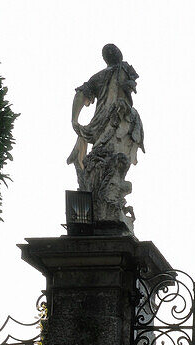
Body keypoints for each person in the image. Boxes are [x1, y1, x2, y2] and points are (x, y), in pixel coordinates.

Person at [67, 44, 144, 228]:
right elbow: (132, 85)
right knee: (109, 159)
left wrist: (74, 120)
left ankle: (105, 202)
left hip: (107, 123)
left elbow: (80, 93)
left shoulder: (99, 77)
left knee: (107, 159)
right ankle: (103, 206)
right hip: (116, 121)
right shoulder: (123, 69)